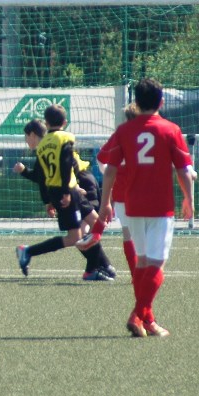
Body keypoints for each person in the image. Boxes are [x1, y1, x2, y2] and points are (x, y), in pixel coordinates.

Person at [97, 78, 194, 337]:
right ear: (161, 102)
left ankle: (146, 320)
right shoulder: (171, 129)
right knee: (156, 264)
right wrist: (189, 199)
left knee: (142, 262)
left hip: (133, 205)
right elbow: (183, 171)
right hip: (160, 207)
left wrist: (105, 203)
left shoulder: (124, 131)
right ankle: (137, 315)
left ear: (136, 103)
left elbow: (110, 170)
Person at [14, 106, 114, 281]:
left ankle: (98, 265)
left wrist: (49, 199)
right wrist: (68, 191)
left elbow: (45, 177)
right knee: (79, 235)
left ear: (46, 123)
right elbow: (66, 163)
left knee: (93, 226)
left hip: (70, 188)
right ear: (65, 122)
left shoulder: (42, 147)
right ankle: (95, 267)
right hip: (70, 189)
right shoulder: (64, 138)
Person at [78, 103, 140, 280]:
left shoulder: (121, 134)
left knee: (128, 234)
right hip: (145, 191)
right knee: (145, 236)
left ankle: (136, 276)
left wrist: (111, 173)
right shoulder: (152, 133)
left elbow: (101, 158)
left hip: (122, 191)